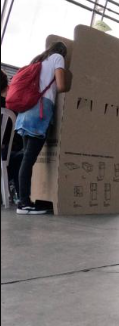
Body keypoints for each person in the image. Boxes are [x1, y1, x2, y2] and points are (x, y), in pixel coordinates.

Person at [13, 42, 71, 214]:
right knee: (28, 159)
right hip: (39, 111)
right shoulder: (57, 58)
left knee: (25, 156)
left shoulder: (38, 60)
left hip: (25, 111)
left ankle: (22, 199)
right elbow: (61, 86)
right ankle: (24, 203)